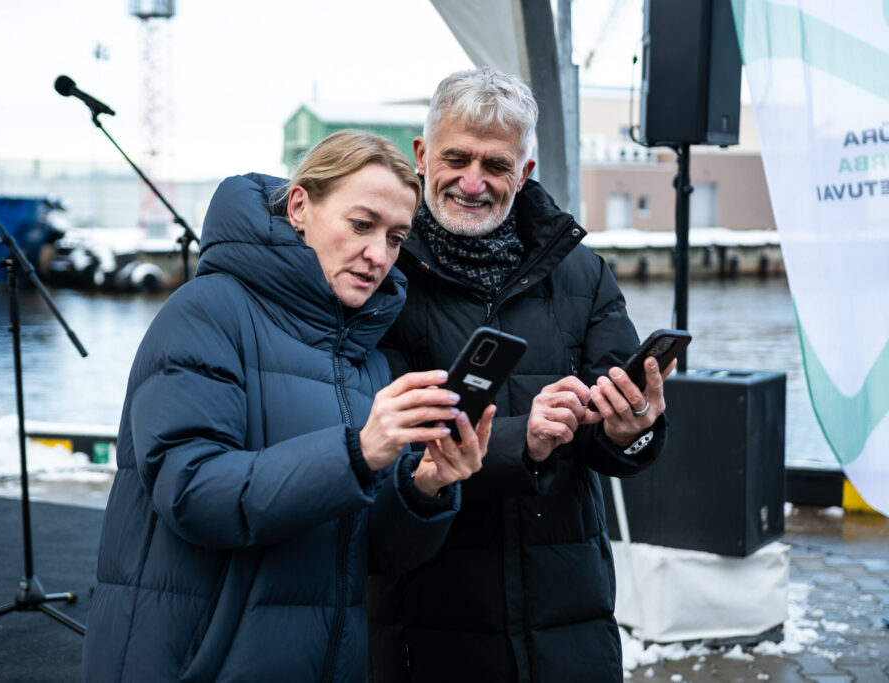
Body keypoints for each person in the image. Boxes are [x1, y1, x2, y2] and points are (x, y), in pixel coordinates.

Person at [82, 130, 495, 683]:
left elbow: (368, 553)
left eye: (396, 237)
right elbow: (190, 491)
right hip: (191, 663)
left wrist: (424, 487)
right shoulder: (206, 312)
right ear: (300, 207)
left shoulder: (367, 357)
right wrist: (357, 453)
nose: (379, 255)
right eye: (362, 224)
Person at [367, 68, 673, 682]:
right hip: (430, 623)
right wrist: (522, 441)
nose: (472, 182)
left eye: (496, 165)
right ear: (422, 156)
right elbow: (384, 450)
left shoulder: (582, 273)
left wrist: (631, 430)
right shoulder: (382, 271)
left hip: (569, 617)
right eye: (456, 158)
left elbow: (614, 441)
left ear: (525, 171)